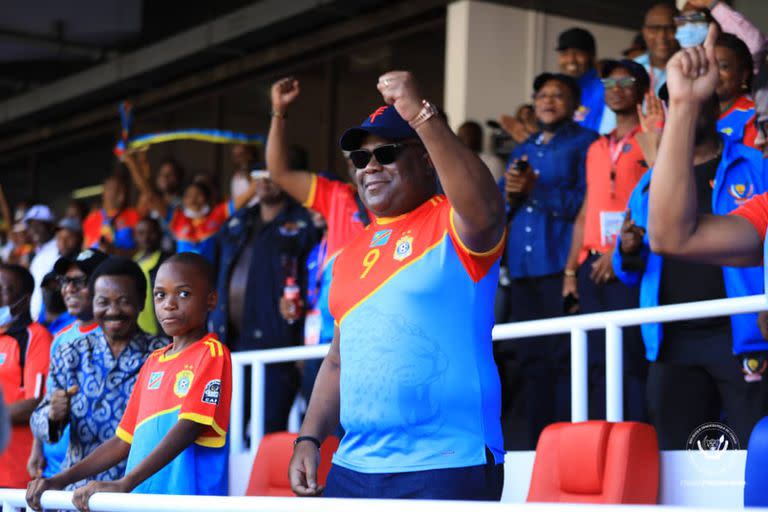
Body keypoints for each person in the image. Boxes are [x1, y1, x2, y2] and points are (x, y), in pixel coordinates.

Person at [288, 71, 506, 500]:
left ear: (425, 159)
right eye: (359, 158)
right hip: (354, 465)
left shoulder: (454, 222)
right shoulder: (349, 253)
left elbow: (485, 206)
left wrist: (423, 117)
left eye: (386, 153)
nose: (370, 166)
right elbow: (337, 362)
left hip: (446, 463)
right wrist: (309, 438)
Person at [623, 24, 768, 448]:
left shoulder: (753, 167)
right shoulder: (652, 182)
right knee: (683, 460)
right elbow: (666, 240)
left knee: (747, 448)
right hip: (673, 334)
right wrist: (684, 101)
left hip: (735, 334)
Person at [27, 253, 229, 510]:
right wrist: (60, 479)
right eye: (161, 295)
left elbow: (190, 426)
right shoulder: (155, 360)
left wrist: (126, 481)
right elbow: (123, 440)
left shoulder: (211, 353)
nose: (169, 304)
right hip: (138, 500)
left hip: (184, 500)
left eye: (184, 294)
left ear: (211, 299)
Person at [497, 72, 598, 448]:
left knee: (562, 358)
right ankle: (532, 446)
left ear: (575, 106)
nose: (548, 101)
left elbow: (586, 204)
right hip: (522, 269)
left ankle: (564, 443)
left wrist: (536, 190)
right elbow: (500, 205)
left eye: (558, 95)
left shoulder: (589, 143)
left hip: (561, 267)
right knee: (528, 358)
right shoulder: (524, 148)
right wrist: (510, 196)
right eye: (542, 95)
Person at [27, 257, 167, 492]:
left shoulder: (162, 355)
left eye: (123, 302)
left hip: (136, 491)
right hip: (77, 492)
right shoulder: (70, 352)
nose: (113, 311)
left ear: (142, 302)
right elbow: (39, 422)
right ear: (93, 303)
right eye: (103, 302)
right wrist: (53, 415)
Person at [563, 60, 651, 421]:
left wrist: (616, 253)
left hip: (630, 262)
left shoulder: (652, 138)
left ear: (643, 90)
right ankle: (600, 437)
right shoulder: (597, 147)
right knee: (596, 360)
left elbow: (653, 200)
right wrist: (571, 271)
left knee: (630, 359)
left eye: (625, 81)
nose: (615, 88)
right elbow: (586, 211)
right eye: (609, 82)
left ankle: (632, 438)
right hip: (591, 265)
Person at [209, 173, 315, 434]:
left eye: (272, 175)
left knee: (269, 431)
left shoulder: (302, 221)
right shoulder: (241, 219)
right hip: (229, 342)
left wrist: (303, 338)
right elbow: (207, 250)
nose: (266, 182)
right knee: (224, 432)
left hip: (277, 342)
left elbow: (315, 277)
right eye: (258, 176)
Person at [27, 249, 107, 481]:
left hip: (96, 470)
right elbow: (49, 397)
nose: (68, 289)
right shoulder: (60, 338)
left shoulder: (117, 337)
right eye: (65, 281)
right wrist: (37, 447)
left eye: (78, 281)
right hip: (55, 466)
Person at [0, 264, 52, 489]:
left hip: (18, 476)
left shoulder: (36, 338)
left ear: (24, 298)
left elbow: (38, 403)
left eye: (3, 289)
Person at [168, 177, 258, 263]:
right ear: (183, 199)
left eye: (198, 194)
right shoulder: (177, 218)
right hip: (181, 276)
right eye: (189, 195)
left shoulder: (217, 215)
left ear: (207, 198)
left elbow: (245, 197)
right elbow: (154, 200)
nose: (193, 199)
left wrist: (258, 179)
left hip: (211, 275)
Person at [556, 27, 615, 134]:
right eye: (565, 53)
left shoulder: (605, 86)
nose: (571, 60)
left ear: (592, 56)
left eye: (578, 53)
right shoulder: (558, 89)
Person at [714, 33, 758, 148]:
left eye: (723, 66)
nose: (714, 73)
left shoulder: (753, 116)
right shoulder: (694, 114)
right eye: (708, 65)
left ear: (743, 75)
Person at [82, 174, 140, 254]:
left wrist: (116, 251)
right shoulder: (91, 218)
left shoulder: (133, 214)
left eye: (123, 190)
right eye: (115, 189)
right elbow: (85, 250)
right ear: (104, 193)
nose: (121, 194)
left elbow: (141, 250)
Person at [133, 217, 171, 335]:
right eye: (141, 233)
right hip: (138, 331)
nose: (146, 237)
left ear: (160, 234)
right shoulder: (134, 262)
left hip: (161, 330)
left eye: (151, 232)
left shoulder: (167, 262)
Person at [637, 3, 680, 94]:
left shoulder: (693, 69)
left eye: (670, 29)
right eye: (654, 29)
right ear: (644, 32)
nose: (662, 36)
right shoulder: (632, 69)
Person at [25, 205, 59, 322]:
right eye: (31, 226)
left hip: (49, 318)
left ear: (50, 226)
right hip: (36, 317)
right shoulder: (37, 253)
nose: (34, 230)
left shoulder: (59, 249)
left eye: (38, 225)